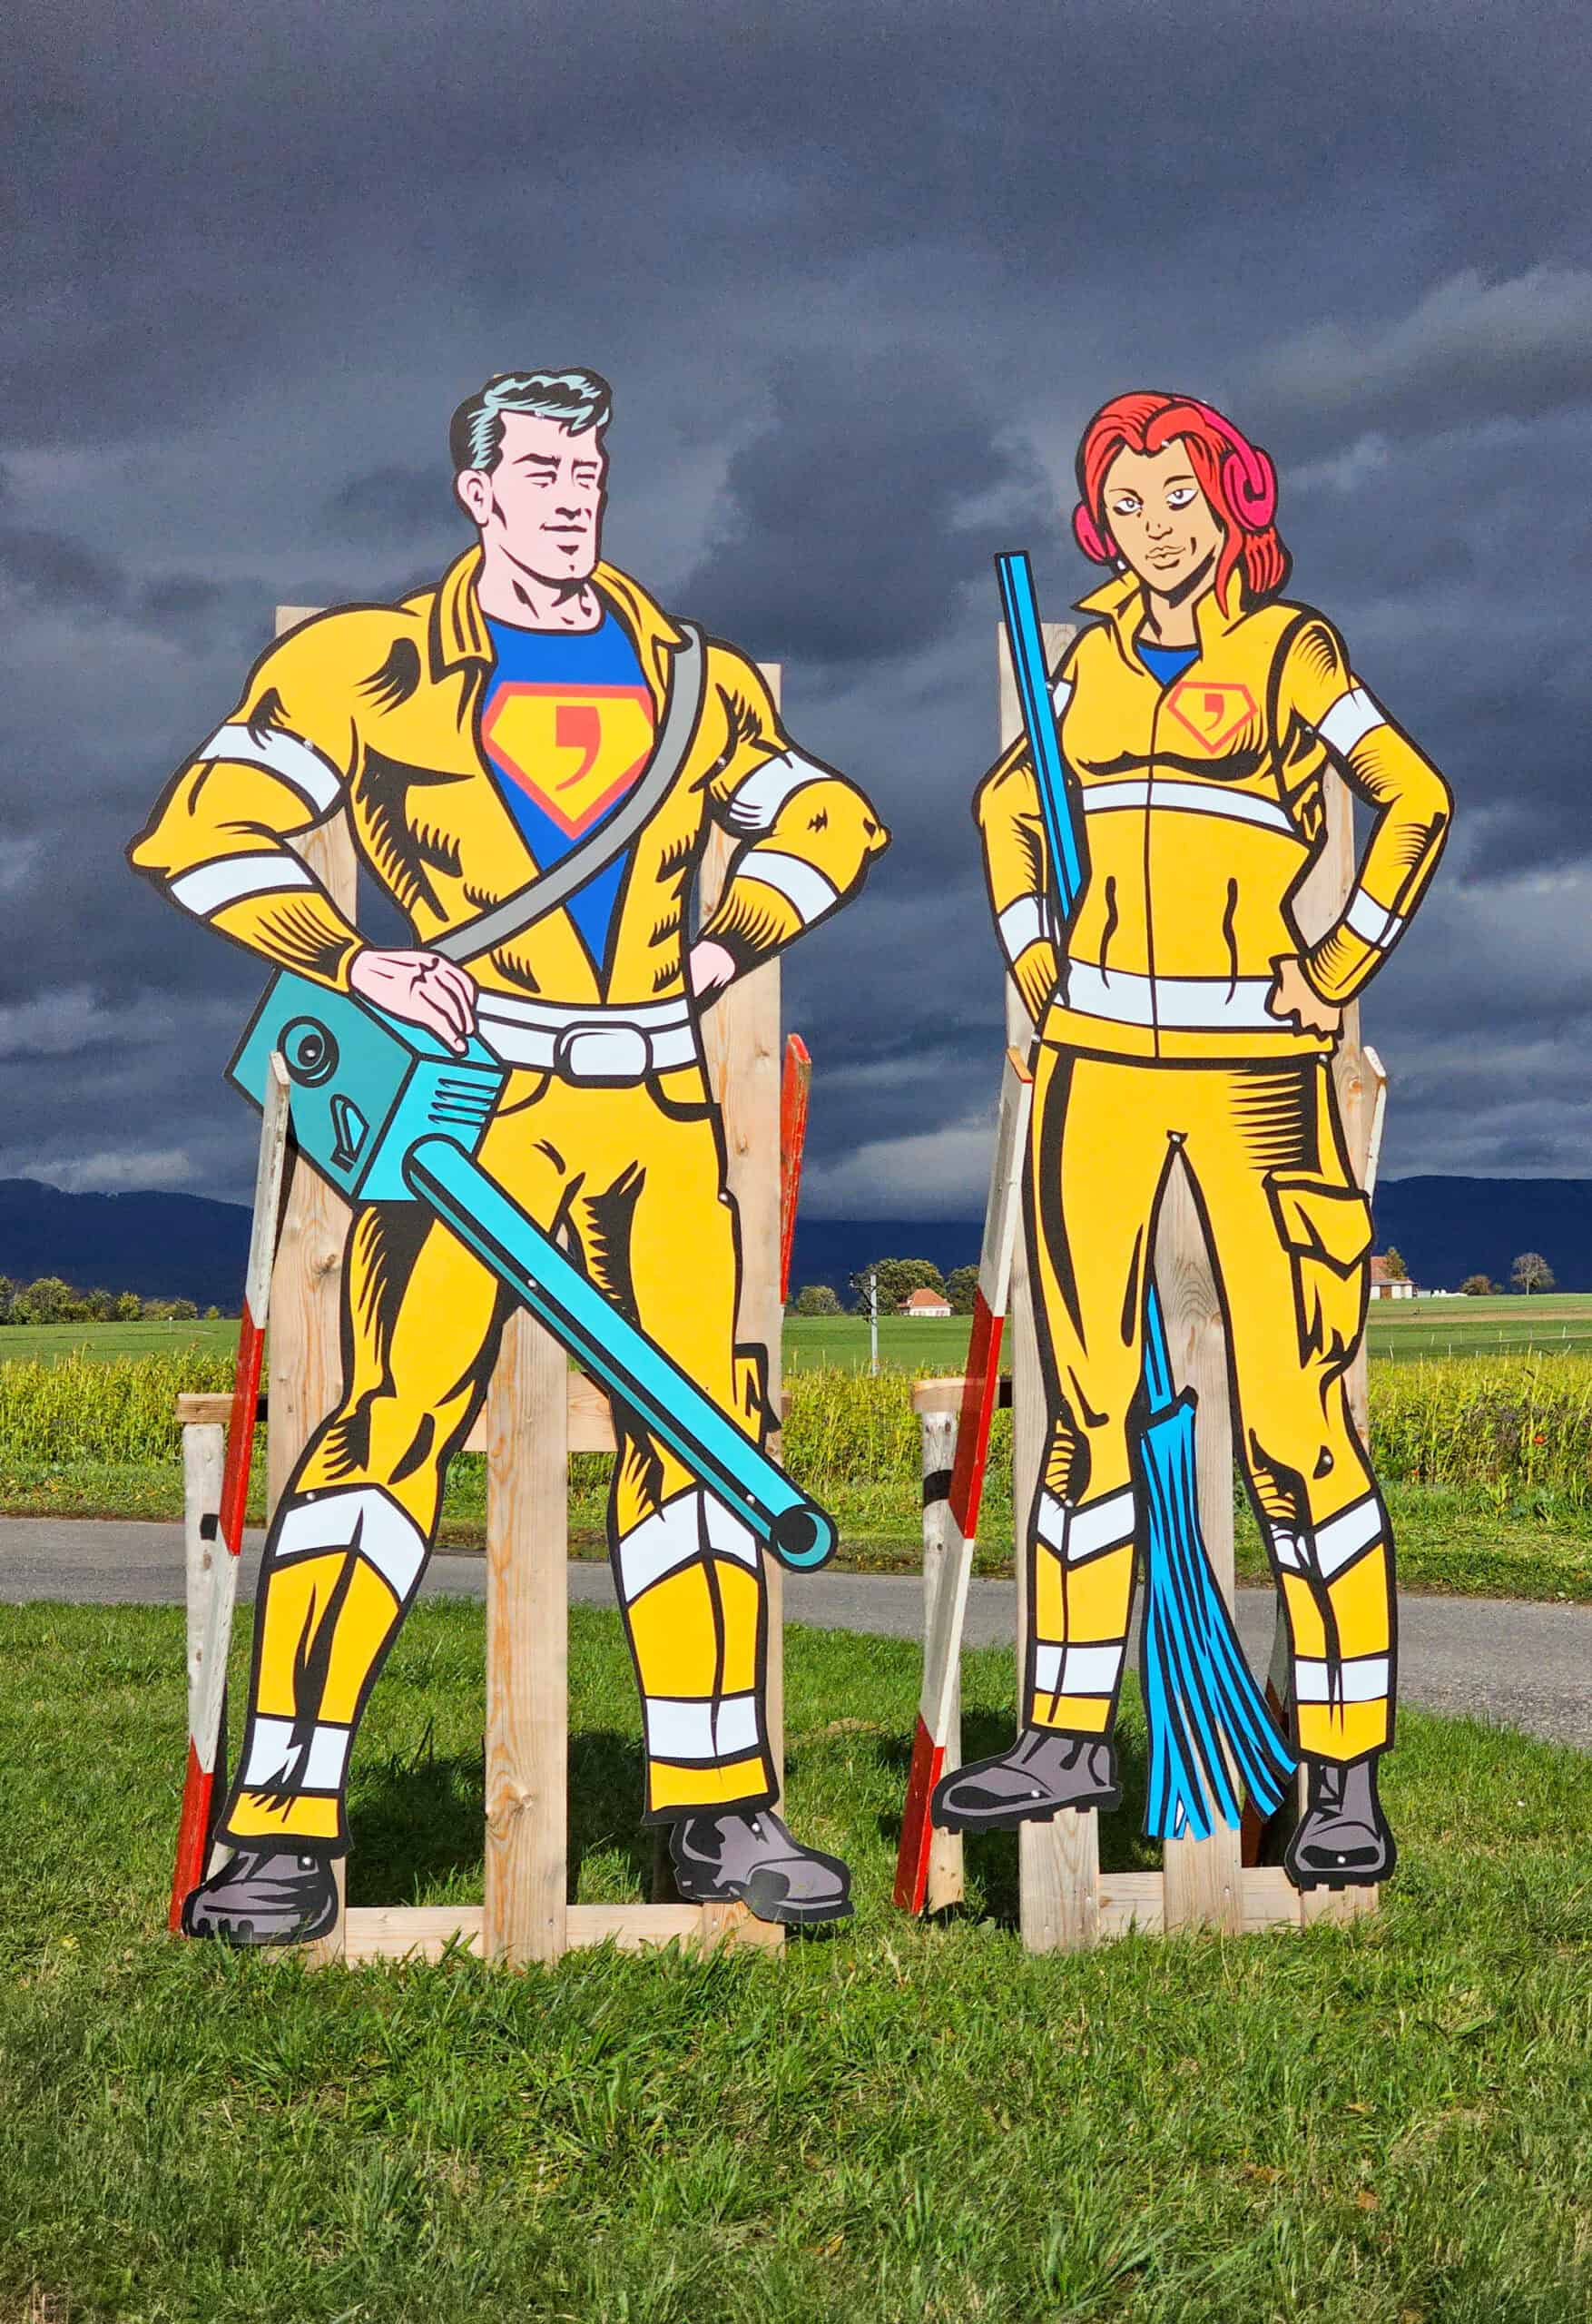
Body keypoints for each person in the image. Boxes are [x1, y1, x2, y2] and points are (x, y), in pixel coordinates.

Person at [131, 368, 888, 1940]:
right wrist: (350, 958)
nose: (569, 497)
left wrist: (730, 935)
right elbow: (202, 832)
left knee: (701, 1439)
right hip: (466, 1102)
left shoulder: (694, 679)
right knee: (384, 1431)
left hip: (655, 1109)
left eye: (587, 470)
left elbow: (828, 820)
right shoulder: (366, 668)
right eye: (539, 469)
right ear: (476, 489)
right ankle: (283, 1829)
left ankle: (717, 1809)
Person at [936, 390, 1450, 1886]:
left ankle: (1340, 1777)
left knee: (1297, 1426)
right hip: (1094, 1063)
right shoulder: (1081, 658)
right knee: (1084, 1409)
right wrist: (1036, 960)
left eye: (1181, 496)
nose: (1157, 527)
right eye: (1128, 502)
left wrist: (1338, 962)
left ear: (1232, 503)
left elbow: (1410, 797)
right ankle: (1063, 1735)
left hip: (1252, 1070)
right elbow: (1004, 813)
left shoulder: (1291, 654)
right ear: (1099, 522)